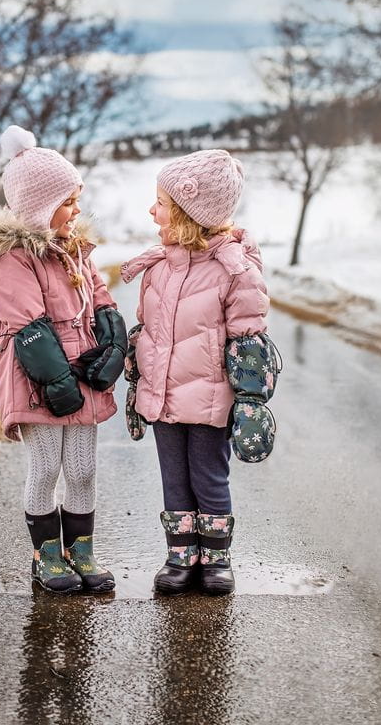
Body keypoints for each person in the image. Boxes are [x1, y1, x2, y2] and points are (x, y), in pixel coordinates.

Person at [0, 125, 126, 595]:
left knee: (82, 469)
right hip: (40, 376)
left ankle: (81, 551)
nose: (77, 211)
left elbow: (99, 297)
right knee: (47, 468)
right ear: (39, 204)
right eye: (69, 201)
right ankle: (47, 556)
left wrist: (112, 342)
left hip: (82, 376)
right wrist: (58, 378)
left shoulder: (75, 250)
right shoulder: (11, 257)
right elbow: (26, 325)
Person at [121, 149, 276, 595]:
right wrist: (137, 373)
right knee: (174, 478)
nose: (153, 211)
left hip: (211, 399)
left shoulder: (235, 269)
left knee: (208, 477)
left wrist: (248, 400)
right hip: (163, 396)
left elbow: (249, 341)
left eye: (162, 203)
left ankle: (215, 559)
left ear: (190, 212)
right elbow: (148, 330)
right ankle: (181, 556)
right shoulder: (158, 268)